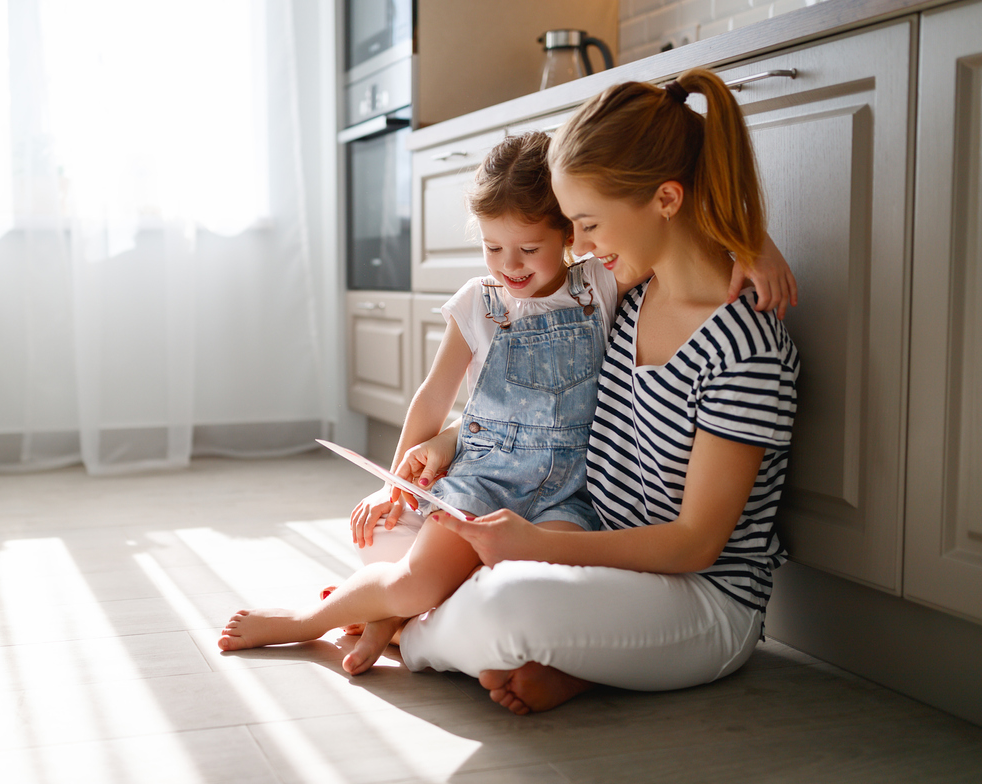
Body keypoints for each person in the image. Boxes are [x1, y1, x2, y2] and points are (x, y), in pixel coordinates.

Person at [363, 67, 800, 715]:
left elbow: (691, 546)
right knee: (400, 532)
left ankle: (405, 628)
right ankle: (565, 661)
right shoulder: (625, 297)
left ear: (666, 201)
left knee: (505, 599)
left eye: (587, 225)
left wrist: (534, 547)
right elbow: (550, 403)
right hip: (603, 552)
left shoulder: (744, 346)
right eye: (571, 226)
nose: (578, 248)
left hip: (697, 594)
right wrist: (455, 439)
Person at [217, 132, 626, 673]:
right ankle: (308, 621)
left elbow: (681, 243)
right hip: (484, 481)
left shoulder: (600, 282)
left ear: (570, 232)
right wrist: (396, 487)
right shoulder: (477, 305)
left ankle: (385, 625)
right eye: (491, 247)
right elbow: (434, 396)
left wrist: (755, 256)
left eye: (529, 248)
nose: (510, 265)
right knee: (417, 583)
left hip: (570, 495)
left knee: (527, 587)